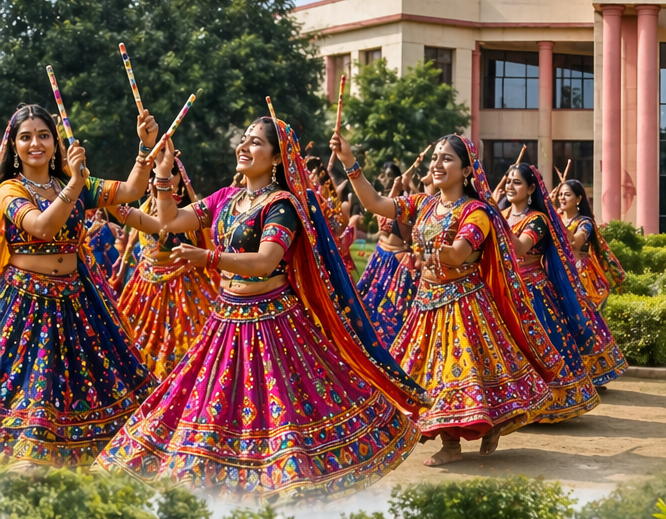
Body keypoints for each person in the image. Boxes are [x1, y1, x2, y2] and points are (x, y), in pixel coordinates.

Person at [98, 113, 425, 496]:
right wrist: (164, 175)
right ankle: (215, 482)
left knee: (275, 408)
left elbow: (267, 260)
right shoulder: (227, 197)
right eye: (245, 138)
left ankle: (284, 485)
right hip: (225, 316)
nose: (244, 145)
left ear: (276, 157)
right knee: (215, 402)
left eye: (255, 141)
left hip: (272, 320)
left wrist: (210, 259)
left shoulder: (281, 204)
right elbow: (168, 221)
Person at [330, 132, 560, 466]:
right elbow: (375, 204)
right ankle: (471, 432)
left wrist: (427, 247)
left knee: (455, 374)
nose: (437, 164)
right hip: (425, 301)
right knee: (418, 374)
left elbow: (458, 254)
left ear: (467, 170)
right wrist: (350, 161)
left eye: (447, 158)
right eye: (435, 157)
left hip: (462, 303)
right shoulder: (424, 204)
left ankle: (458, 442)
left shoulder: (476, 212)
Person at [0, 103, 158, 467]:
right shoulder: (10, 189)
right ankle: (29, 454)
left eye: (43, 135)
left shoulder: (74, 184)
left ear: (56, 142)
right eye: (26, 137)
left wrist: (143, 146)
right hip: (25, 302)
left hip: (74, 300)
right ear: (14, 145)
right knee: (31, 384)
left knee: (85, 383)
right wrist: (74, 183)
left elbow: (132, 189)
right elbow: (41, 226)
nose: (35, 143)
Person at [499, 162, 614, 415]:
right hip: (505, 290)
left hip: (534, 293)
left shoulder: (538, 219)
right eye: (508, 181)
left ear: (531, 189)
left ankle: (548, 403)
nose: (509, 186)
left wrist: (494, 217)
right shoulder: (503, 214)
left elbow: (519, 248)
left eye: (516, 182)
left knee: (540, 347)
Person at [107, 159, 219, 377]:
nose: (154, 178)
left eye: (168, 172)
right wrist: (121, 271)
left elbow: (190, 243)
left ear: (179, 178)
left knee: (182, 346)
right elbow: (131, 241)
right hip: (144, 284)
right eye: (153, 173)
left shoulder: (186, 210)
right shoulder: (144, 207)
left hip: (181, 287)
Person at [351, 172, 418, 346]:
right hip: (380, 257)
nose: (385, 177)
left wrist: (408, 188)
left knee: (387, 311)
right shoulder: (392, 200)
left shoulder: (413, 203)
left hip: (396, 261)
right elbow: (381, 214)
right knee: (366, 304)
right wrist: (396, 189)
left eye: (389, 174)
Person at [556, 178, 629, 309]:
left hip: (581, 274)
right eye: (560, 195)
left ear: (578, 199)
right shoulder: (555, 219)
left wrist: (556, 220)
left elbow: (574, 243)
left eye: (567, 194)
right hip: (557, 272)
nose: (562, 198)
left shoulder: (585, 223)